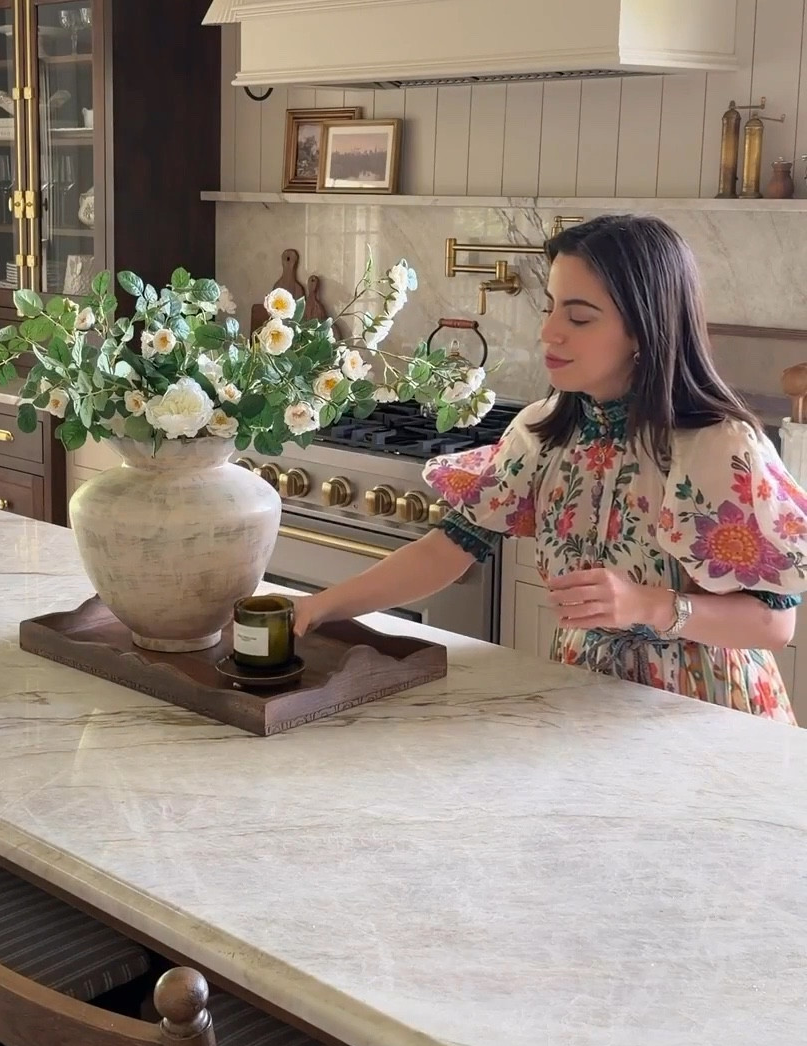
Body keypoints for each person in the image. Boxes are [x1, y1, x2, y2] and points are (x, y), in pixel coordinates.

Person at [295, 215, 807, 722]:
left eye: (579, 317)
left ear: (644, 329)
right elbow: (445, 552)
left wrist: (647, 605)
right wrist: (319, 608)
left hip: (701, 715)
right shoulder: (543, 431)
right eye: (551, 308)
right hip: (578, 697)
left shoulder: (718, 448)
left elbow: (773, 624)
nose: (549, 332)